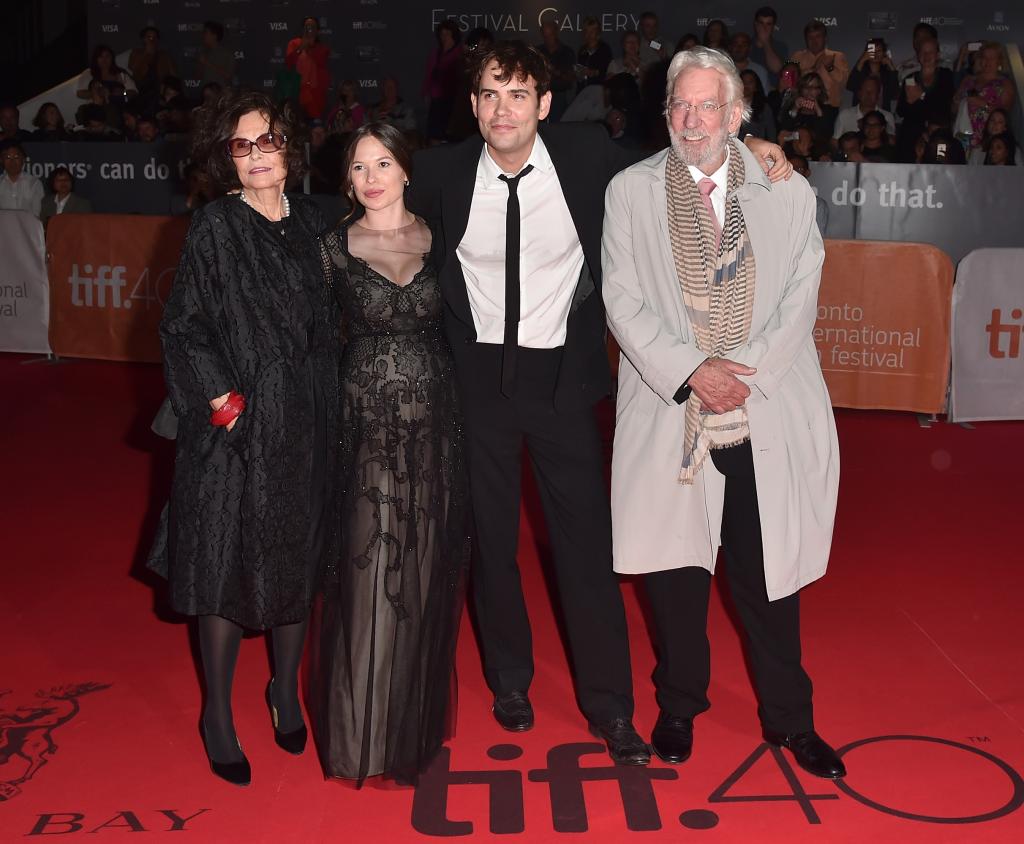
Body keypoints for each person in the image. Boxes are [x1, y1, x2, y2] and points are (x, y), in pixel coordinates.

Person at [405, 40, 790, 767]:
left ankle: (610, 705)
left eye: (518, 95)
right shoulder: (439, 173)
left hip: (564, 383)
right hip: (474, 383)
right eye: (489, 95)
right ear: (473, 104)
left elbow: (682, 155)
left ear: (544, 105)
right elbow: (376, 207)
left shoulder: (588, 160)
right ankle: (510, 681)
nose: (502, 109)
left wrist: (756, 144)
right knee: (490, 545)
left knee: (586, 550)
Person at [601, 45, 846, 782]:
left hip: (761, 406)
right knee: (676, 576)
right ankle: (679, 705)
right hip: (675, 408)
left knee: (767, 576)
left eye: (708, 105)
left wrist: (746, 374)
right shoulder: (631, 191)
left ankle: (790, 719)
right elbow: (622, 299)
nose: (691, 119)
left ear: (737, 114)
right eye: (680, 104)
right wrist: (692, 372)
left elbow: (804, 289)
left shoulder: (785, 190)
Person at [147, 90, 340, 787]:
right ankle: (218, 716)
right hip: (234, 428)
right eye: (241, 144)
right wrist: (226, 406)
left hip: (310, 419)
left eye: (268, 141)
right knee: (224, 564)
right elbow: (184, 327)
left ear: (290, 147)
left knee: (299, 557)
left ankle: (285, 689)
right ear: (225, 156)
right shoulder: (214, 228)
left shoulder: (321, 222)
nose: (257, 156)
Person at [309, 121, 468, 783]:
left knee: (424, 576)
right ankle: (362, 737)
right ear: (345, 180)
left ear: (406, 168)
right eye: (357, 168)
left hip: (437, 429)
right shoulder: (329, 248)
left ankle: (412, 730)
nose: (370, 179)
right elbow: (308, 344)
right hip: (364, 432)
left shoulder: (444, 238)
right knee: (369, 574)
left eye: (381, 164)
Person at [895, 38, 955, 162]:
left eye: (930, 52)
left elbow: (943, 108)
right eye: (923, 52)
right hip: (911, 137)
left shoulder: (946, 76)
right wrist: (909, 102)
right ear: (918, 56)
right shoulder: (910, 78)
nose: (926, 56)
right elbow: (901, 111)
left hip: (938, 136)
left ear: (937, 54)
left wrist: (921, 96)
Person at [953, 43, 1016, 149]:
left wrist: (983, 104)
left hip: (989, 142)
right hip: (963, 137)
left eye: (992, 58)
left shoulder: (1005, 84)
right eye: (984, 57)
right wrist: (956, 102)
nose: (987, 61)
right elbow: (953, 110)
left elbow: (1005, 116)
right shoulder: (968, 79)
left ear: (999, 61)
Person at [776, 73, 836, 159]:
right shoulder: (792, 108)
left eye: (813, 88)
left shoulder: (827, 110)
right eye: (806, 87)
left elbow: (825, 135)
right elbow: (784, 130)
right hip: (793, 153)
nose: (809, 91)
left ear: (819, 91)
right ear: (801, 90)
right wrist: (795, 109)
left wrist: (818, 111)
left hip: (817, 154)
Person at [790, 20, 849, 108]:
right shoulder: (797, 56)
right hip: (803, 108)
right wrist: (813, 69)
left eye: (818, 36)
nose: (814, 41)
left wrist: (830, 68)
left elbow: (845, 83)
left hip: (829, 108)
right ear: (805, 39)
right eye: (810, 37)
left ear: (825, 38)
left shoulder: (837, 56)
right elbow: (789, 82)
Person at [422, 20, 463, 143]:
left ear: (453, 36)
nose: (444, 37)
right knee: (434, 135)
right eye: (442, 34)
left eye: (447, 34)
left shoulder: (460, 53)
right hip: (436, 101)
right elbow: (428, 75)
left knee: (451, 136)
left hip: (453, 101)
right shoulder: (435, 54)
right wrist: (426, 93)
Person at [286, 16, 331, 119]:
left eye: (312, 26)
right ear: (303, 29)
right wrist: (301, 47)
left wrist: (309, 44)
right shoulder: (293, 44)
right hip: (296, 92)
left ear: (318, 30)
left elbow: (320, 61)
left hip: (315, 95)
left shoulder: (323, 48)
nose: (309, 28)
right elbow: (289, 63)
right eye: (307, 26)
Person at [832, 77, 895, 141]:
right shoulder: (845, 115)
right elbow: (835, 142)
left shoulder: (887, 116)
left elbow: (892, 142)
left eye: (872, 91)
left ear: (878, 95)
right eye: (865, 91)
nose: (868, 94)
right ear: (859, 94)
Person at [536, 20, 576, 122]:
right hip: (541, 94)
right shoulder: (538, 52)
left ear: (556, 33)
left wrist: (554, 70)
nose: (548, 39)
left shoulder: (567, 52)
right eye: (545, 36)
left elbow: (570, 79)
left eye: (550, 35)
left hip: (560, 95)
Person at [128, 26, 176, 108]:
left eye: (155, 37)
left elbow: (173, 76)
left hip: (159, 93)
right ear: (143, 39)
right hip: (140, 92)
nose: (152, 40)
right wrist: (146, 53)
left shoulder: (164, 55)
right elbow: (132, 69)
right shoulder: (136, 53)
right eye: (149, 37)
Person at [846, 37, 898, 109]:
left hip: (882, 114)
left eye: (879, 50)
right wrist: (862, 60)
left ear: (884, 53)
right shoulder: (861, 70)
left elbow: (894, 94)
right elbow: (850, 86)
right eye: (872, 50)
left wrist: (891, 66)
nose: (875, 53)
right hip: (860, 113)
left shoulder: (887, 74)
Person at [0, 143, 44, 215]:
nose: (12, 161)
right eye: (8, 157)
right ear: (1, 160)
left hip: (28, 225)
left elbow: (37, 213)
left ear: (23, 159)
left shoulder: (34, 183)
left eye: (16, 157)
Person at [750, 6, 789, 84]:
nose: (764, 28)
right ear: (756, 24)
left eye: (768, 24)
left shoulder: (781, 46)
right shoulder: (746, 44)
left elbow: (777, 69)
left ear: (773, 27)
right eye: (761, 23)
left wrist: (765, 42)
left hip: (771, 93)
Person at [577, 17, 612, 91]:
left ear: (598, 32)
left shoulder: (604, 49)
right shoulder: (582, 50)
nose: (589, 34)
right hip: (583, 90)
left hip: (598, 90)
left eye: (592, 31)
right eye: (587, 31)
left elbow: (608, 70)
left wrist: (595, 72)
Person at [739, 69, 775, 141]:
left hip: (756, 149)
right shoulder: (730, 106)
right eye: (743, 81)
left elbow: (772, 134)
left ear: (756, 86)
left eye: (750, 82)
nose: (746, 85)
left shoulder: (764, 109)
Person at [197, 21, 236, 87]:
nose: (203, 36)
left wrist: (207, 63)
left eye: (206, 33)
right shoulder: (204, 52)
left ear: (214, 36)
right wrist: (201, 65)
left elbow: (229, 75)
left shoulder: (227, 53)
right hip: (206, 92)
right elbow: (198, 77)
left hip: (222, 93)